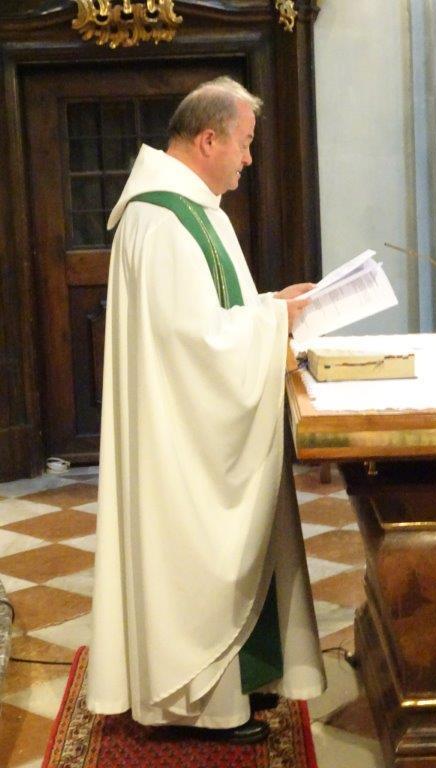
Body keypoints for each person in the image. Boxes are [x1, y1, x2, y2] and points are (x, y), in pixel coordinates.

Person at [86, 76, 326, 744]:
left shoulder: (191, 210)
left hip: (188, 429)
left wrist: (273, 305)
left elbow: (212, 319)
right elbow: (192, 345)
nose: (249, 159)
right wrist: (275, 322)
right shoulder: (164, 220)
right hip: (181, 444)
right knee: (198, 556)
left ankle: (241, 681)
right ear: (209, 139)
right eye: (244, 143)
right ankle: (198, 704)